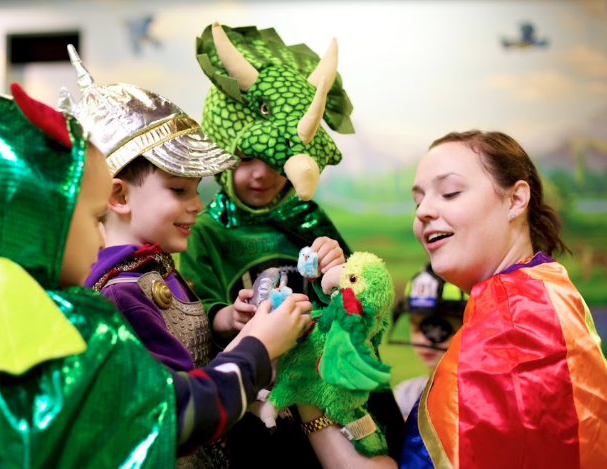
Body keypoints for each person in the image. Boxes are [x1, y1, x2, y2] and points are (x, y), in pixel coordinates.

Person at [0, 83, 311, 469]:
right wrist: (258, 346)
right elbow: (170, 414)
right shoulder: (83, 321)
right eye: (95, 217)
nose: (100, 236)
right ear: (48, 224)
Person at [59, 47, 311, 468]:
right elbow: (181, 407)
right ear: (119, 195)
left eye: (196, 190)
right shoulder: (122, 293)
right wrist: (259, 343)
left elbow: (188, 350)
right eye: (178, 190)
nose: (197, 205)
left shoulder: (152, 269)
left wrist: (224, 322)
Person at [180, 23, 405, 469]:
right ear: (223, 154)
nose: (261, 174)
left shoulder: (308, 218)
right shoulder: (206, 230)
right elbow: (192, 312)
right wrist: (228, 317)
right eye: (247, 159)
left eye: (275, 161)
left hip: (321, 393)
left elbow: (353, 302)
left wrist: (336, 270)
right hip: (252, 403)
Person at [402, 130, 607, 468]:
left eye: (450, 193)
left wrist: (316, 408)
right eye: (417, 201)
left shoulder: (512, 318)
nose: (423, 211)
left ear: (515, 200)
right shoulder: (543, 289)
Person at [388, 263, 467, 419]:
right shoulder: (406, 395)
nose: (424, 340)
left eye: (438, 327)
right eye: (416, 326)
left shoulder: (487, 398)